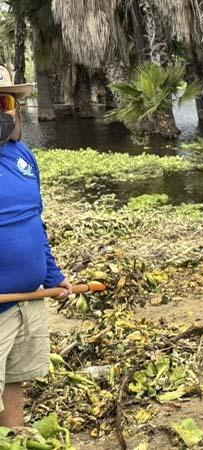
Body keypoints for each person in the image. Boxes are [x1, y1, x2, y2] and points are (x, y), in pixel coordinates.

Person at [0, 65, 71, 427]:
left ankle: (14, 438)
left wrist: (53, 276)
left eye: (5, 103)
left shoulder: (24, 156)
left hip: (28, 301)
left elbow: (35, 223)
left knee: (15, 380)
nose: (3, 113)